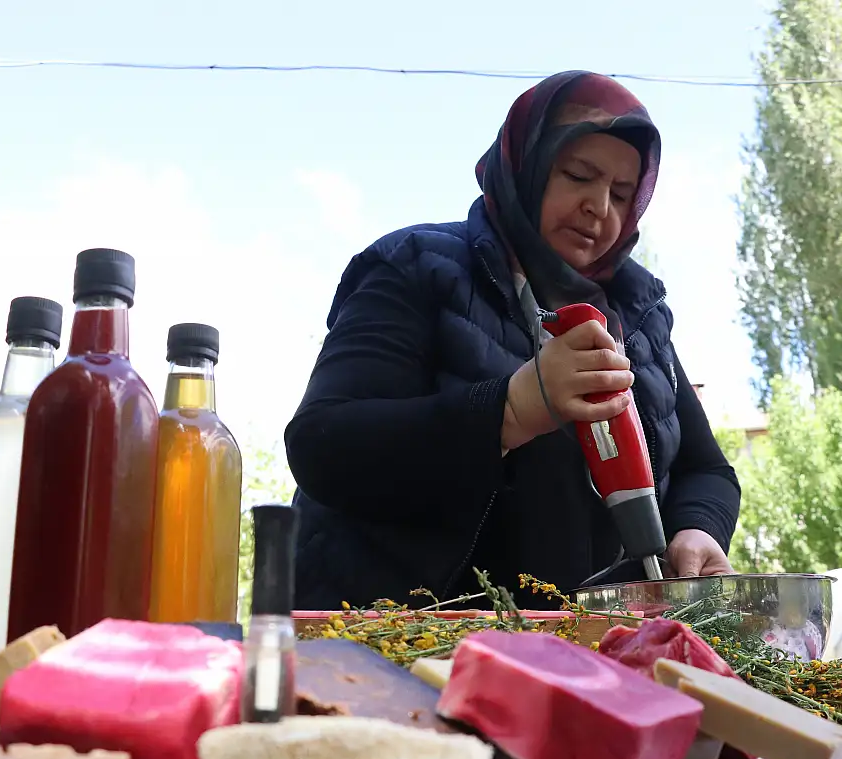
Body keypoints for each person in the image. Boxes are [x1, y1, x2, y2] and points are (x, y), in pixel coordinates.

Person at [285, 70, 741, 611]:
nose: (601, 207)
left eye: (622, 193)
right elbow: (324, 445)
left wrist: (697, 529)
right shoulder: (417, 266)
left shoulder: (637, 316)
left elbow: (706, 470)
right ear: (526, 164)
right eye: (578, 175)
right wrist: (511, 410)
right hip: (405, 650)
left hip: (593, 652)